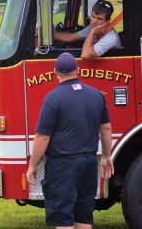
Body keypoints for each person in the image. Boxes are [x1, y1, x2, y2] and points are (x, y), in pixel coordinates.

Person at [26, 53, 115, 229]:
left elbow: (43, 137)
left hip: (63, 166)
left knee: (63, 217)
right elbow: (106, 128)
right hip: (89, 163)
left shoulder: (53, 98)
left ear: (55, 72)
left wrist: (32, 165)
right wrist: (106, 156)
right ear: (78, 70)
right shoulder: (97, 95)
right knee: (83, 217)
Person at [55, 0, 121, 60]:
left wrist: (92, 32)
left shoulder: (111, 37)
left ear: (108, 21)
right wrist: (49, 36)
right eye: (93, 16)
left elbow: (85, 55)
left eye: (99, 19)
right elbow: (71, 37)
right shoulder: (94, 27)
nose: (94, 21)